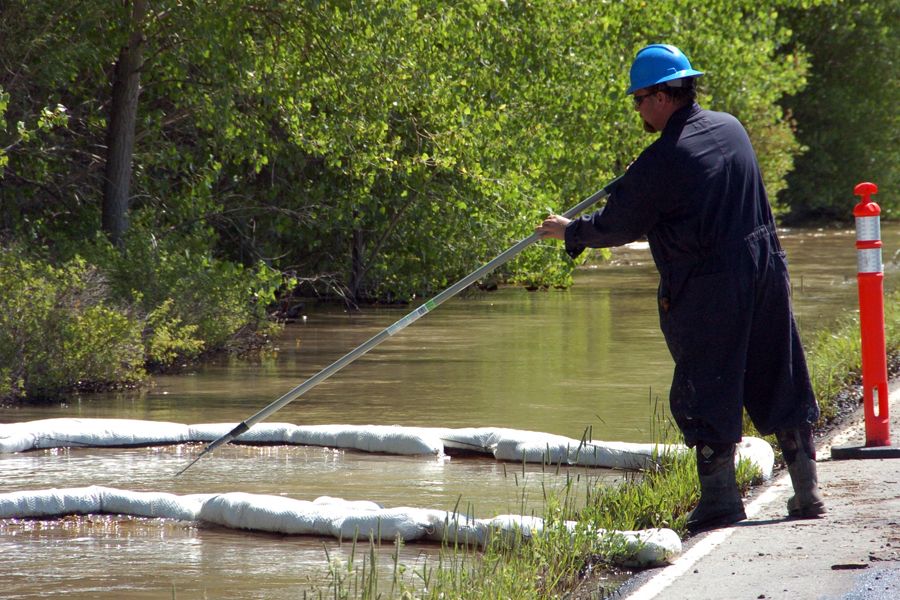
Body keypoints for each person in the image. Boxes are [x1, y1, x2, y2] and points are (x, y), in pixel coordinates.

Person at [536, 44, 826, 534]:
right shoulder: (729, 127)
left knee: (707, 386)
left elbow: (617, 225)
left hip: (711, 286)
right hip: (767, 270)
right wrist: (640, 176)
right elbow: (675, 185)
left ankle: (720, 502)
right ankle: (807, 491)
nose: (637, 109)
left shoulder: (662, 161)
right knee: (781, 372)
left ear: (662, 97)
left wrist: (570, 230)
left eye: (638, 99)